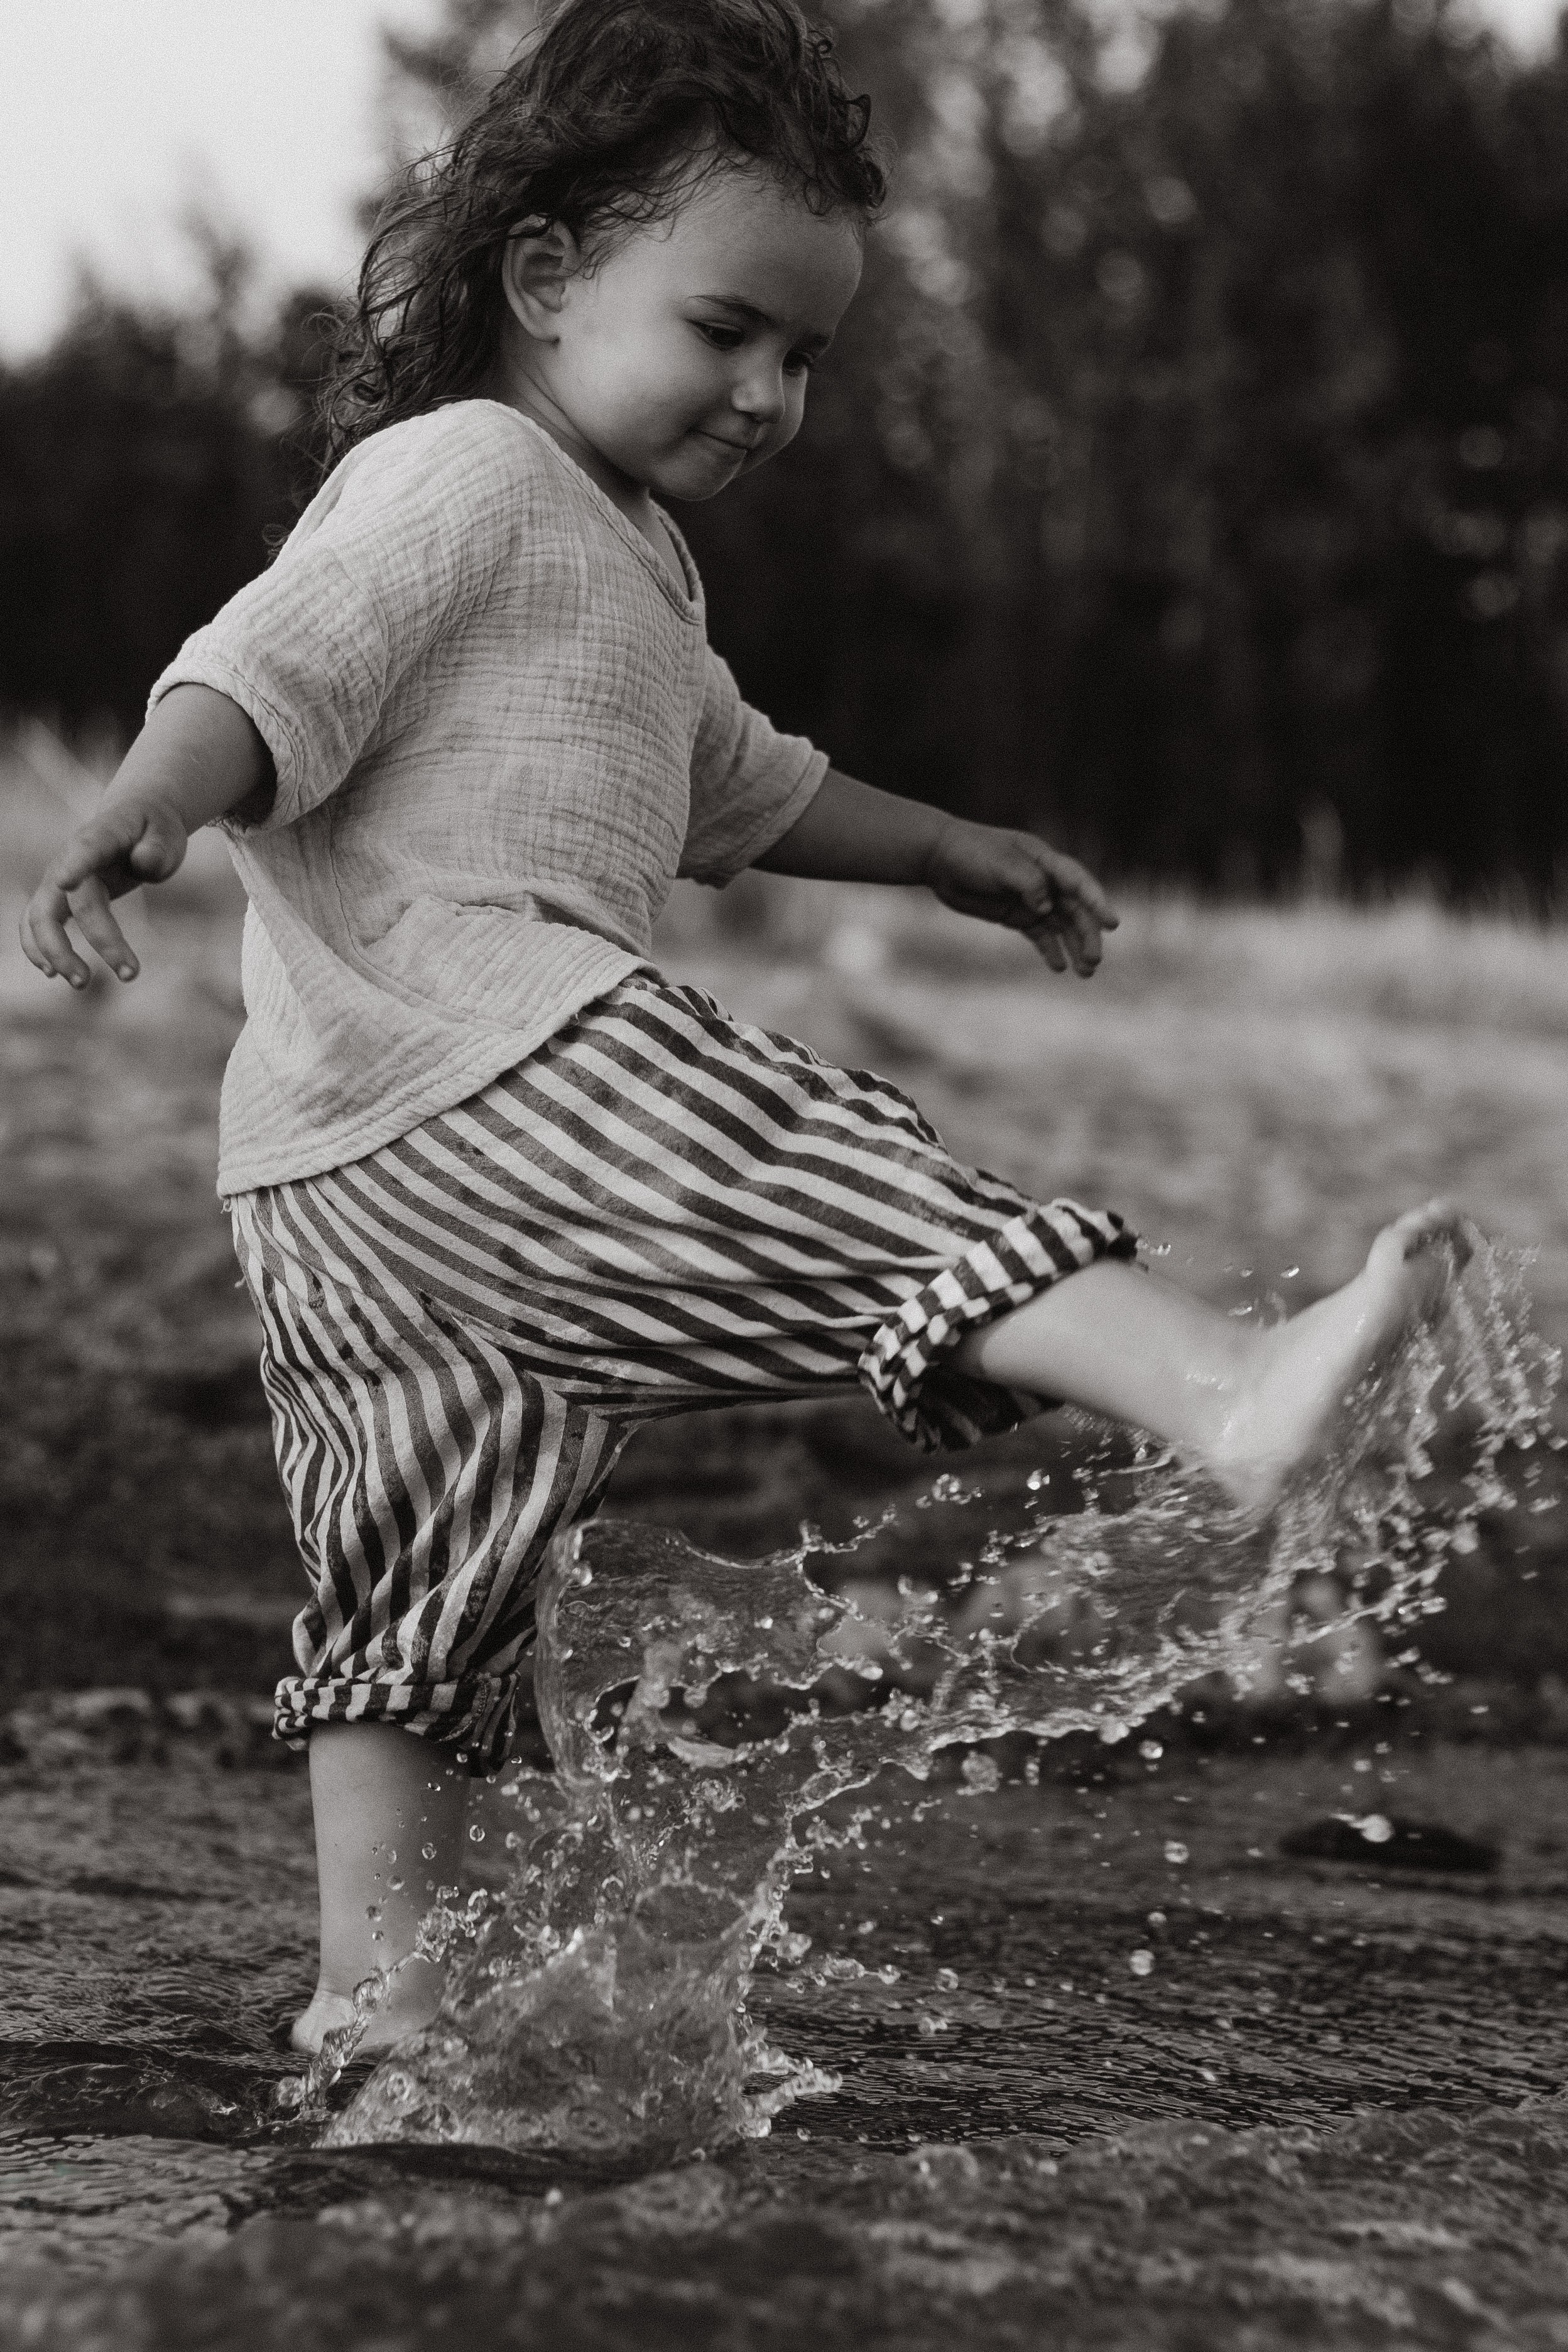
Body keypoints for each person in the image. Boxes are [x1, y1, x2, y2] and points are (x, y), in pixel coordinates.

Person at [20, 0, 1457, 2058]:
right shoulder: (460, 475)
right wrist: (143, 813)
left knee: (429, 1619)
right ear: (545, 274)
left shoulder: (635, 567)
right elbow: (265, 670)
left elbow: (747, 785)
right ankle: (1221, 1387)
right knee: (824, 1161)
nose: (773, 392)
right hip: (493, 1063)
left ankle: (384, 2019)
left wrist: (946, 847)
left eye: (806, 356)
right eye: (728, 330)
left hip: (334, 1190)